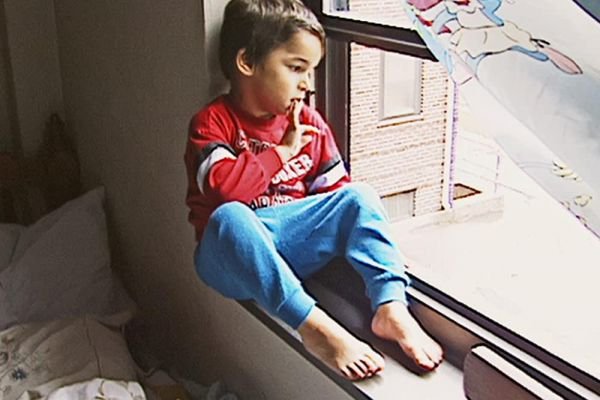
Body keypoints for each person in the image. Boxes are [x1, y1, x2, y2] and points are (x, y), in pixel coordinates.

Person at [184, 0, 443, 381]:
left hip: (292, 246)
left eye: (312, 71)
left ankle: (390, 306)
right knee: (231, 217)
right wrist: (281, 152)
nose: (307, 83)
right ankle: (314, 327)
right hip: (231, 258)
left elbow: (337, 202)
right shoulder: (212, 123)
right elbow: (225, 191)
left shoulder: (310, 124)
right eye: (296, 68)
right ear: (247, 62)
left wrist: (370, 247)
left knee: (359, 196)